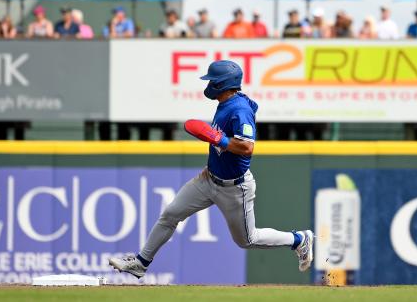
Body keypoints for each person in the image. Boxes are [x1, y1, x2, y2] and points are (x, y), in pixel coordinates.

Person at [107, 60, 314, 278]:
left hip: (234, 188)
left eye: (212, 81)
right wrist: (219, 140)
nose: (208, 85)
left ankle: (299, 239)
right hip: (208, 179)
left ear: (223, 84)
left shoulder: (239, 109)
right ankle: (141, 263)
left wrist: (218, 139)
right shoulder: (226, 103)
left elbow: (247, 147)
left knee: (247, 239)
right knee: (170, 215)